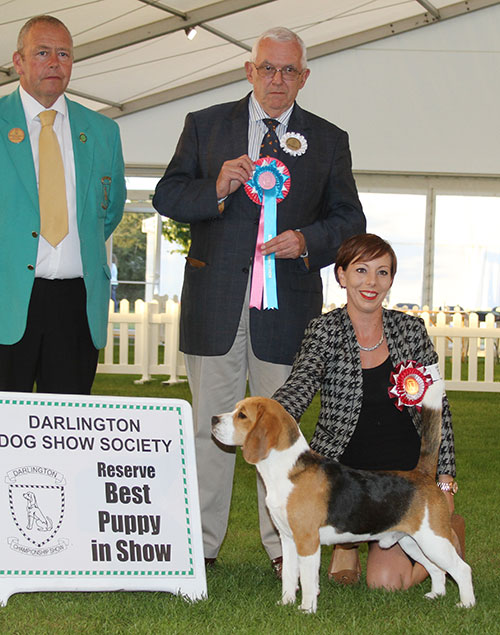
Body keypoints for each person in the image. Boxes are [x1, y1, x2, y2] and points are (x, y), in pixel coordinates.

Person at [153, 26, 365, 572]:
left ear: (304, 77)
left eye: (288, 70)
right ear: (249, 70)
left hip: (286, 307)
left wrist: (307, 241)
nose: (277, 79)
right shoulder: (204, 126)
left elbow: (349, 220)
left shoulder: (329, 138)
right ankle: (201, 547)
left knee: (281, 433)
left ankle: (286, 548)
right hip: (215, 303)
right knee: (209, 429)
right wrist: (216, 187)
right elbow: (167, 195)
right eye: (268, 68)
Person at [272, 233, 462, 590]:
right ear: (341, 276)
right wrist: (268, 414)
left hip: (403, 476)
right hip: (344, 470)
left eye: (383, 272)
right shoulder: (323, 330)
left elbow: (438, 403)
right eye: (361, 270)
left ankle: (446, 537)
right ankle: (348, 544)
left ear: (391, 279)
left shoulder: (410, 330)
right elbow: (301, 384)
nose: (371, 282)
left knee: (386, 583)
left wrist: (445, 478)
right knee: (347, 548)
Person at [0, 15, 126, 395]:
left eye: (64, 54)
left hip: (77, 304)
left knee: (68, 431)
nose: (55, 62)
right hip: (8, 299)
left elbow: (110, 210)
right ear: (18, 61)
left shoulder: (103, 130)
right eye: (42, 52)